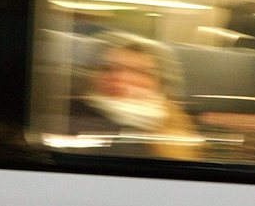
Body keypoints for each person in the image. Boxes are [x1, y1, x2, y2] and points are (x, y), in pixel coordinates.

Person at [66, 31, 199, 161]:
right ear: (92, 76)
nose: (121, 78)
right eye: (108, 69)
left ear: (159, 82)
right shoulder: (70, 115)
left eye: (139, 71)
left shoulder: (175, 122)